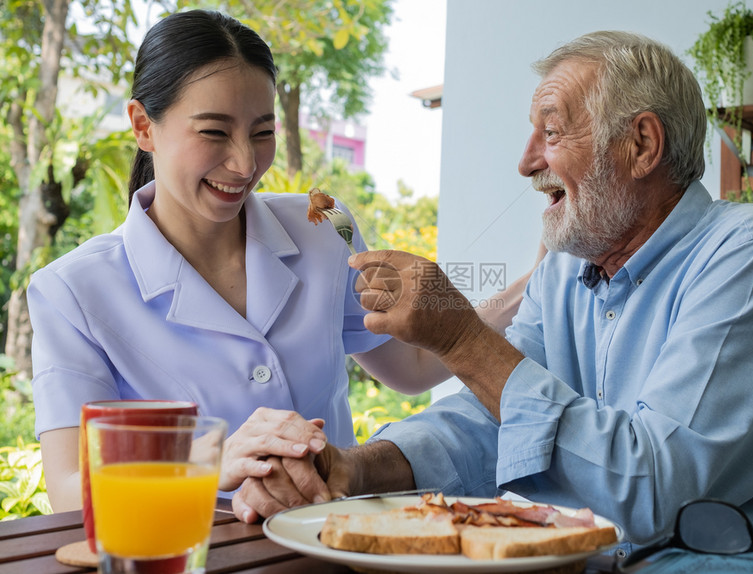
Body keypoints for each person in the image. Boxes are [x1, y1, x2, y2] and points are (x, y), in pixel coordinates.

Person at [230, 30, 753, 547]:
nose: (527, 161)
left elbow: (655, 492)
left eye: (552, 133)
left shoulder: (750, 255)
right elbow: (488, 420)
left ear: (642, 144)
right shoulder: (566, 270)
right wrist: (354, 467)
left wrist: (461, 337)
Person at [27, 9, 536, 513]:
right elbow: (69, 491)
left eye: (262, 132)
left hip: (332, 549)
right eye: (214, 132)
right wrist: (210, 462)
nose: (245, 163)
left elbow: (415, 366)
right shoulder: (72, 292)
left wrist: (537, 279)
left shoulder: (325, 229)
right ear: (143, 125)